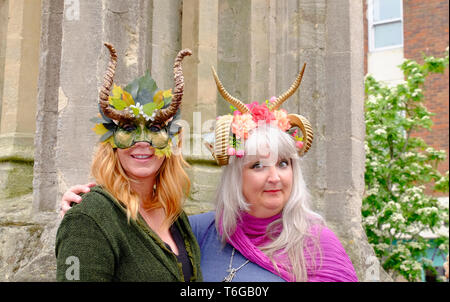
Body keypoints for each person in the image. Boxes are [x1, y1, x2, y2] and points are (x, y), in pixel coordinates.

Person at [61, 61, 358, 282]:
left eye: (284, 163)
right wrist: (84, 211)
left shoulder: (318, 244)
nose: (274, 177)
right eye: (257, 165)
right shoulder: (203, 231)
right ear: (236, 175)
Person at [55, 43, 202, 282]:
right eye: (128, 128)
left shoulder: (174, 215)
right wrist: (80, 221)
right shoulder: (89, 216)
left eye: (155, 128)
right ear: (110, 141)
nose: (142, 141)